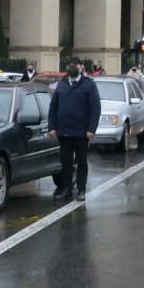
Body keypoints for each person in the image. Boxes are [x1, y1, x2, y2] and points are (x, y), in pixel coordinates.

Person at [48, 60, 101, 202]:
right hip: (64, 131)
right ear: (67, 67)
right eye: (70, 65)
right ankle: (67, 189)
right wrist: (52, 127)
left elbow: (95, 109)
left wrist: (91, 129)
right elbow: (53, 108)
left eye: (76, 65)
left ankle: (81, 190)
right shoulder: (62, 84)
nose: (73, 67)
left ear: (81, 67)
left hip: (81, 132)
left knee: (81, 162)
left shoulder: (88, 85)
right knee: (65, 162)